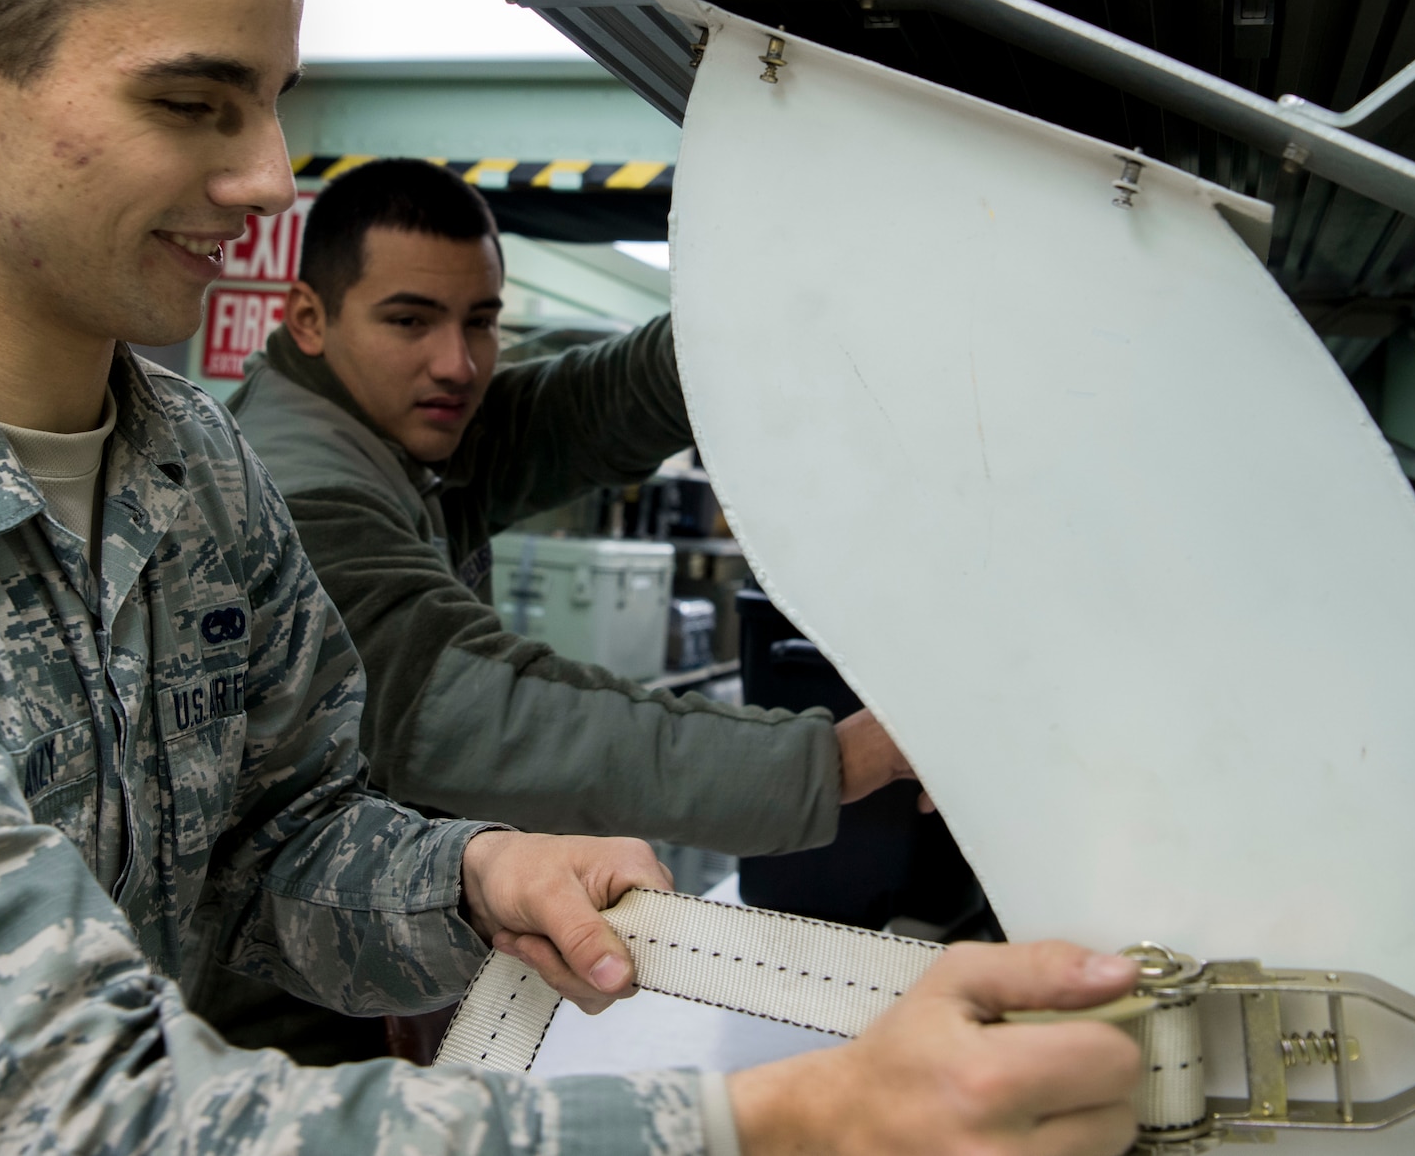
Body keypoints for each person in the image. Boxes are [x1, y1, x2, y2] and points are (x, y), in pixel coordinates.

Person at [0, 0, 1142, 1156]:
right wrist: (783, 1121)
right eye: (195, 105)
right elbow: (39, 1118)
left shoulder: (189, 470)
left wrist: (466, 876)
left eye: (271, 101)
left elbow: (273, 849)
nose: (270, 174)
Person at [230, 160, 916, 852]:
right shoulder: (301, 499)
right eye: (410, 320)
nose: (458, 365)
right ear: (311, 319)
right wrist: (839, 758)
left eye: (481, 322)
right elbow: (507, 720)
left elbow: (595, 405)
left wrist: (790, 316)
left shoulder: (396, 420)